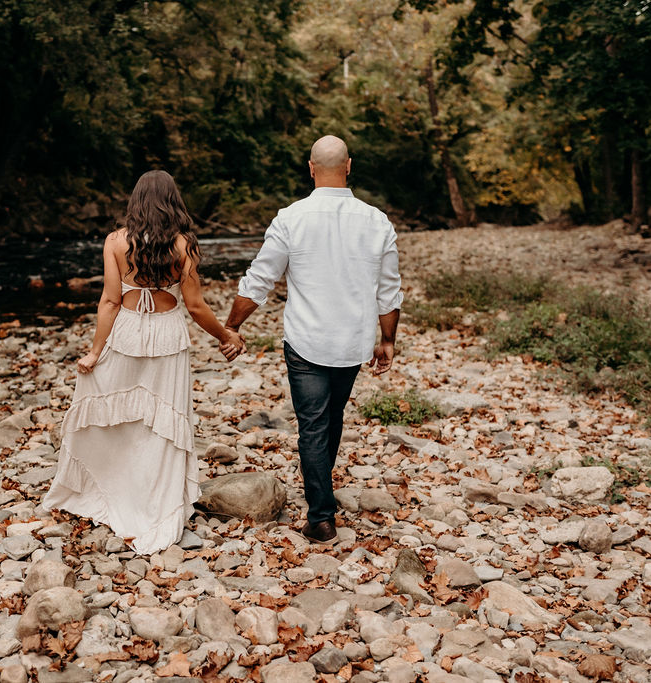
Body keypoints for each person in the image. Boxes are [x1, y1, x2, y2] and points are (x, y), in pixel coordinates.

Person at [42, 170, 245, 555]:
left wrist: (95, 351)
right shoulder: (184, 244)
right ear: (173, 201)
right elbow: (196, 306)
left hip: (127, 331)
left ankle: (115, 489)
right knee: (164, 422)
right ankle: (157, 499)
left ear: (136, 201)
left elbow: (110, 301)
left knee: (121, 418)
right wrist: (225, 336)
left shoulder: (116, 241)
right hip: (168, 334)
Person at [222, 135, 403, 544]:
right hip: (352, 341)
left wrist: (233, 325)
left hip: (306, 340)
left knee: (315, 424)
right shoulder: (377, 220)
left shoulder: (290, 218)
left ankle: (321, 515)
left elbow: (259, 280)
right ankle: (322, 505)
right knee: (328, 418)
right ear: (349, 165)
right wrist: (387, 340)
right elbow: (389, 289)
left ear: (310, 168)